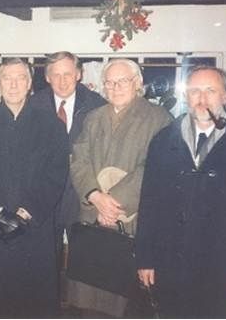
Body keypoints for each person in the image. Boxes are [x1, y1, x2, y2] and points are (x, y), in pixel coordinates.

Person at [135, 66, 226, 318]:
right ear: (186, 96)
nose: (201, 98)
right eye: (195, 91)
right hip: (171, 264)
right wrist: (146, 259)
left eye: (210, 90)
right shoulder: (162, 142)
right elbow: (149, 205)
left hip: (224, 268)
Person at [0, 58, 69, 318]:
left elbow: (55, 176)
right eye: (7, 78)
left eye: (20, 78)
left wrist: (25, 213)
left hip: (35, 227)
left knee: (33, 304)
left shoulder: (52, 125)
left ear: (30, 84)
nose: (13, 84)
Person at [67, 58, 172, 317]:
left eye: (122, 81)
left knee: (125, 303)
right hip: (93, 218)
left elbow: (156, 168)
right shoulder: (94, 117)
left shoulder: (159, 118)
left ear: (137, 83)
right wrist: (94, 196)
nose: (115, 87)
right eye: (109, 82)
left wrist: (112, 203)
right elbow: (78, 160)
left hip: (131, 220)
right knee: (89, 302)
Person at [30, 51, 106, 239]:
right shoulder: (32, 106)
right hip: (45, 196)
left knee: (83, 254)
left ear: (78, 74)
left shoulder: (97, 105)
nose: (62, 81)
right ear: (47, 77)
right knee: (46, 254)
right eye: (56, 75)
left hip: (82, 197)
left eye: (68, 74)